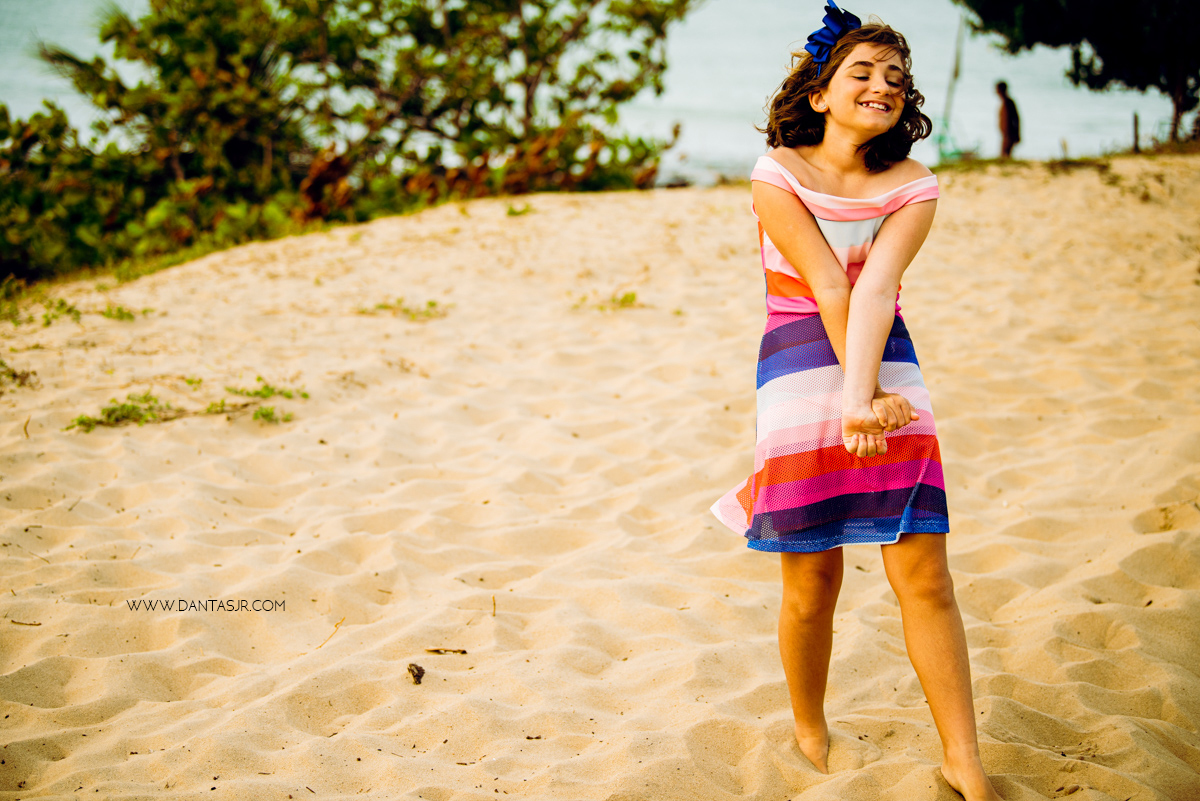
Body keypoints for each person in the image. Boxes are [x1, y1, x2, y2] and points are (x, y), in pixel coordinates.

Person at [709, 4, 1003, 800]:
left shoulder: (914, 185)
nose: (883, 86)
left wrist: (872, 392)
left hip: (890, 363)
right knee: (814, 584)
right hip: (801, 372)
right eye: (863, 72)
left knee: (927, 574)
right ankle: (810, 726)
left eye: (897, 79)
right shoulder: (778, 173)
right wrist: (850, 400)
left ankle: (963, 759)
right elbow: (829, 284)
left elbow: (876, 288)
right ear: (819, 94)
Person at [996, 80, 1020, 158]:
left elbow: (1016, 119)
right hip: (1005, 135)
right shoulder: (1004, 102)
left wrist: (1017, 134)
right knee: (1004, 155)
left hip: (1009, 135)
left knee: (1005, 155)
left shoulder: (1009, 103)